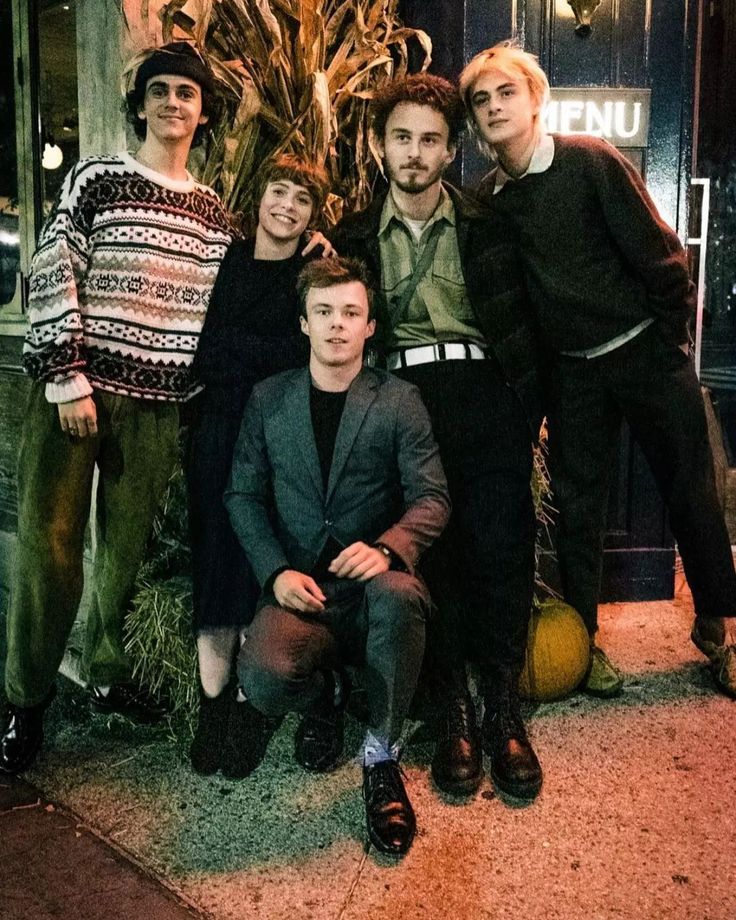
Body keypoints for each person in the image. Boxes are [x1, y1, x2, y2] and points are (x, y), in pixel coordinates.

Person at [460, 42, 736, 698]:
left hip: (644, 351)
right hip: (573, 373)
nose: (495, 106)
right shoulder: (490, 200)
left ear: (535, 102)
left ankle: (720, 628)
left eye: (506, 93)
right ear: (474, 121)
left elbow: (662, 255)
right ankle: (582, 644)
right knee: (578, 510)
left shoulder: (588, 161)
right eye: (481, 100)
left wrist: (669, 346)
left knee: (690, 490)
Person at [0, 42, 234, 775]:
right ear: (139, 104)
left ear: (202, 112)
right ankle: (24, 703)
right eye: (159, 90)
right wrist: (66, 376)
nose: (172, 102)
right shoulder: (97, 179)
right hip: (77, 397)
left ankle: (105, 675)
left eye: (186, 94)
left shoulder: (213, 214)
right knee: (51, 554)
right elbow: (52, 266)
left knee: (121, 563)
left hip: (155, 410)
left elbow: (233, 303)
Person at [333, 74, 544, 800]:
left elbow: (529, 321)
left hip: (484, 392)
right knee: (437, 556)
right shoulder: (355, 235)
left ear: (451, 148)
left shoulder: (489, 223)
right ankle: (451, 704)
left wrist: (528, 409)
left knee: (502, 545)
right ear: (380, 146)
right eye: (402, 138)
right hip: (403, 399)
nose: (416, 154)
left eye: (429, 139)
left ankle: (503, 709)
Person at [224, 256, 450, 855]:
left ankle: (380, 756)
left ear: (370, 326)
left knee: (402, 597)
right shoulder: (269, 400)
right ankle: (328, 695)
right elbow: (241, 494)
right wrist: (274, 572)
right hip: (303, 592)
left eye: (351, 313)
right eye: (323, 312)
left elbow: (433, 498)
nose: (337, 325)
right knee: (263, 675)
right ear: (303, 322)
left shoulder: (399, 400)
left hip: (373, 595)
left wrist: (388, 548)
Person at [185, 154, 330, 778]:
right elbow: (205, 350)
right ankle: (211, 708)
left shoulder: (312, 274)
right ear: (260, 198)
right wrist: (261, 355)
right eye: (279, 191)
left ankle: (247, 707)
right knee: (216, 564)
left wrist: (239, 355)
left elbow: (300, 353)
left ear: (312, 215)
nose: (287, 206)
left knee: (256, 565)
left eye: (302, 198)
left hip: (275, 438)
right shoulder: (226, 261)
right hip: (218, 434)